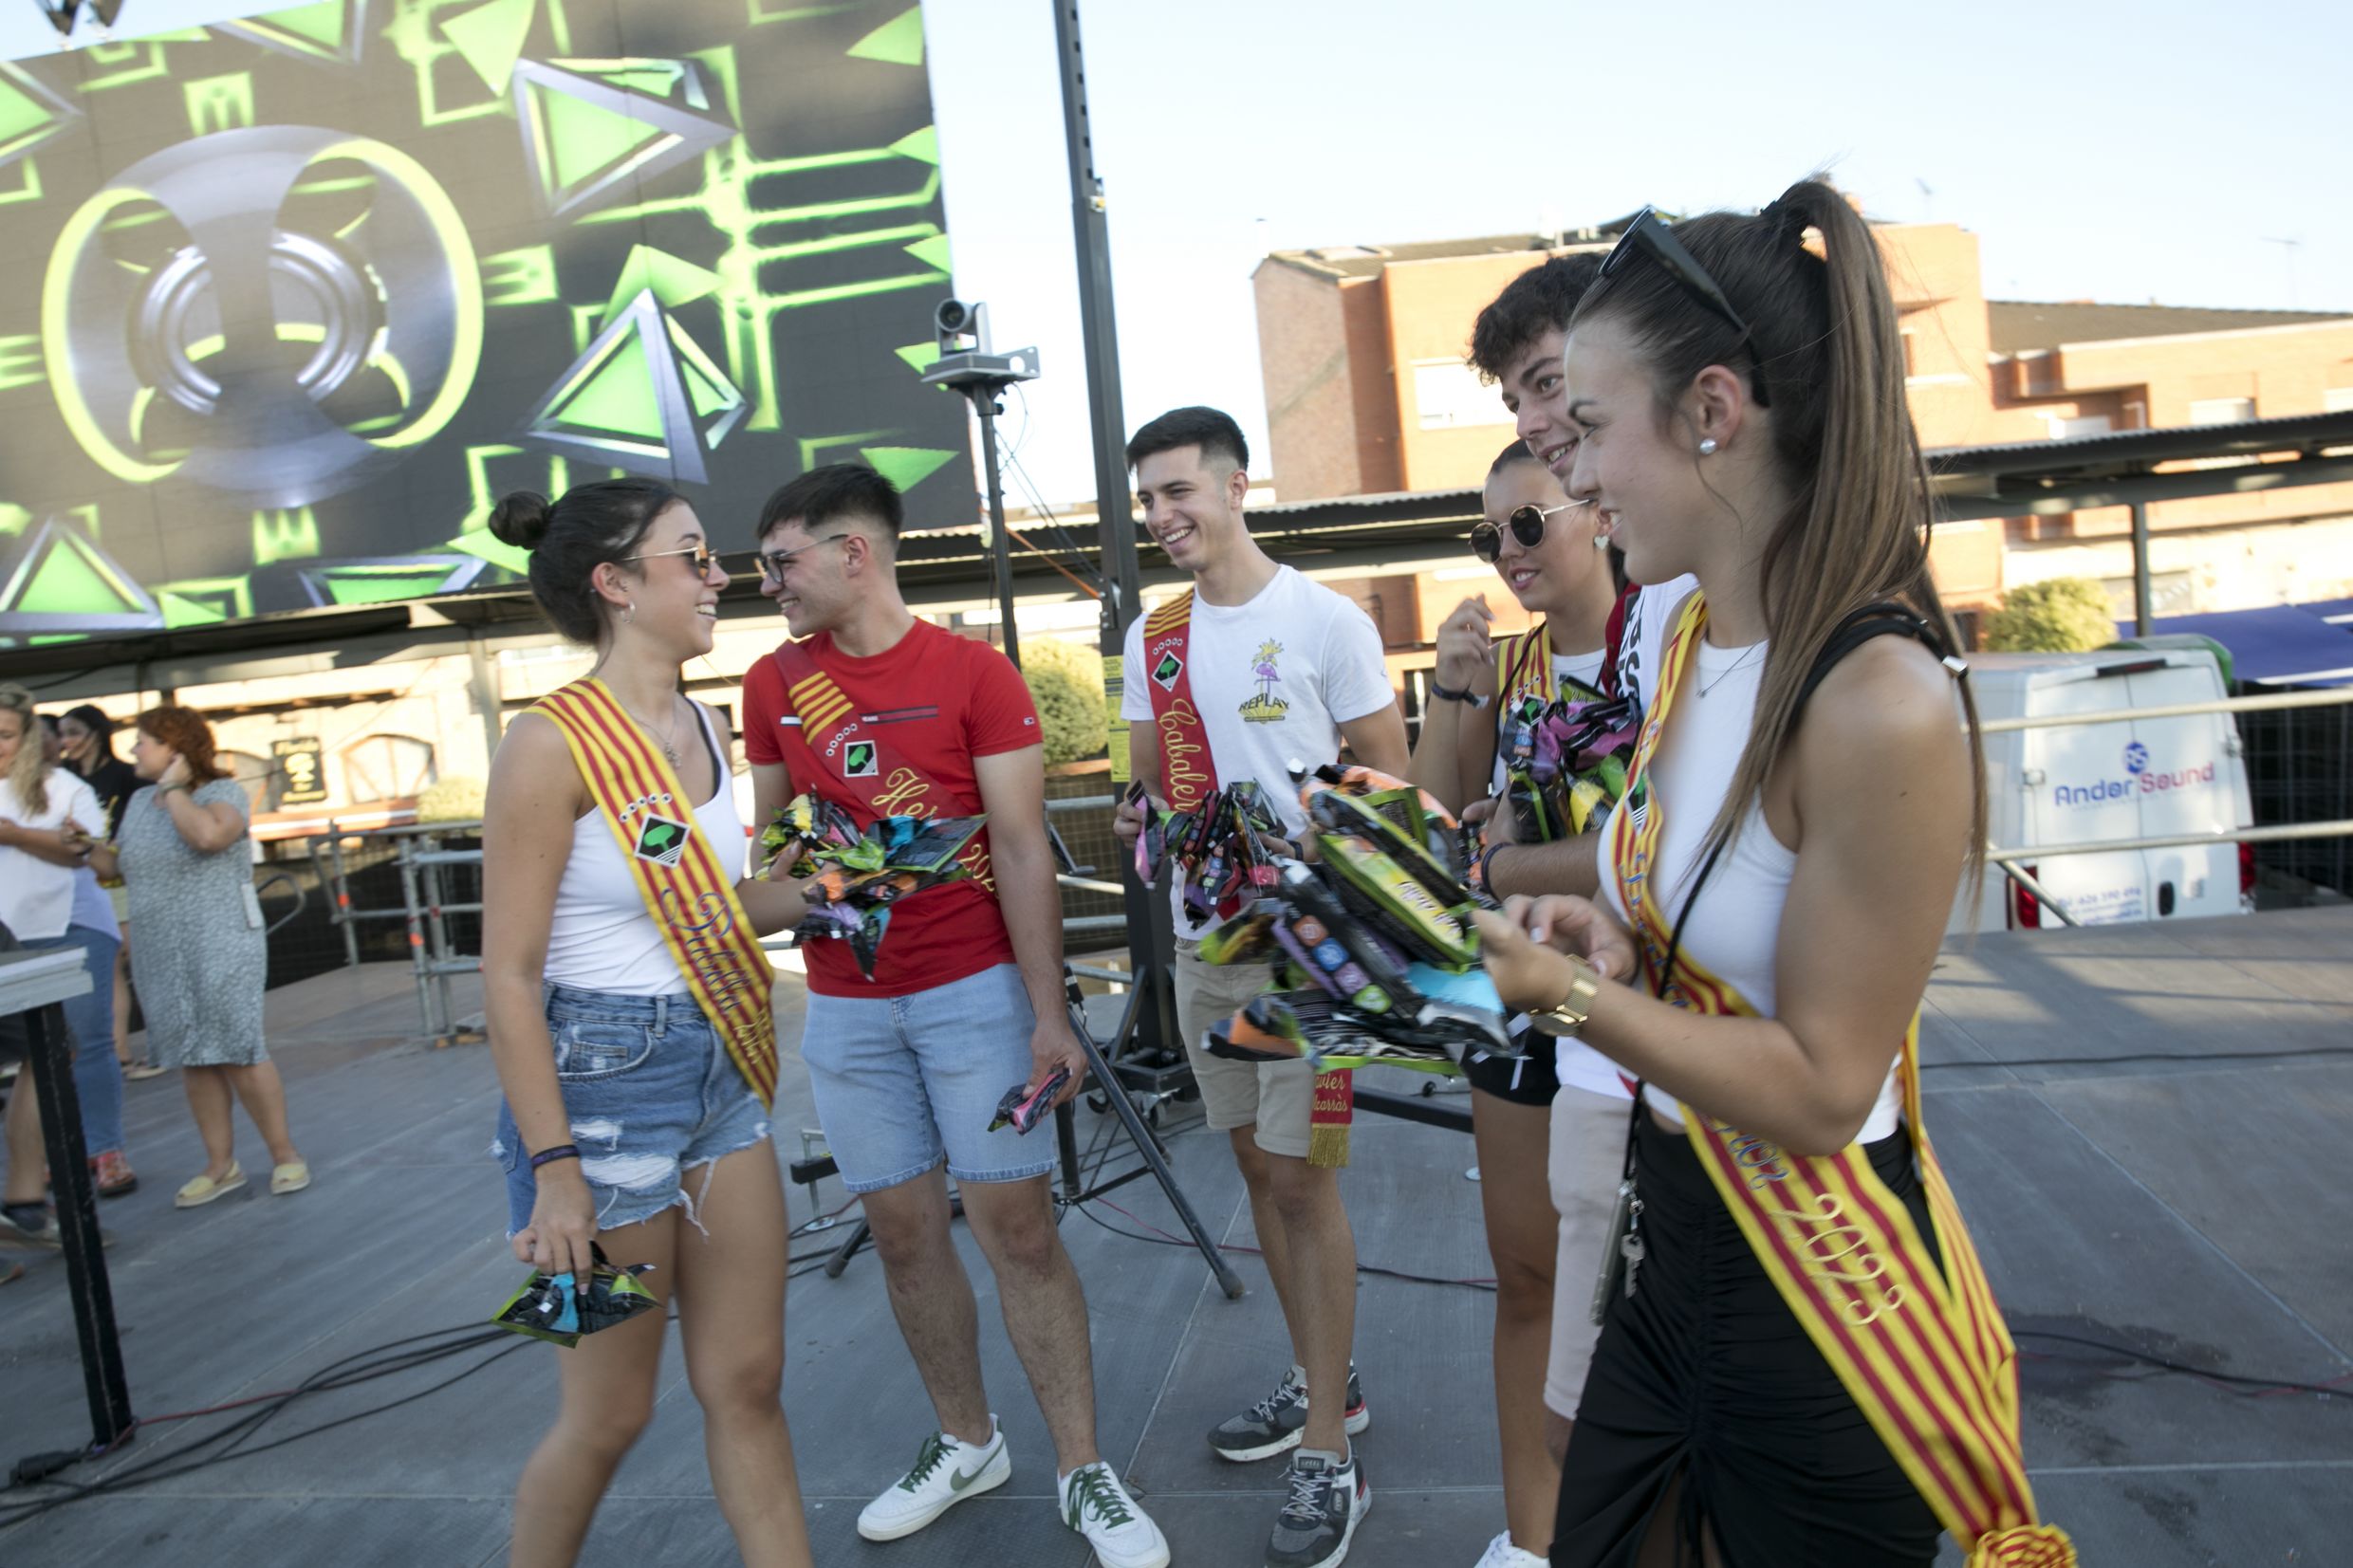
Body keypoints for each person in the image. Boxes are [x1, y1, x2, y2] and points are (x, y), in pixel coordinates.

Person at [1473, 186, 2070, 1566]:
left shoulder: (1874, 698)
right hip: (1673, 1239)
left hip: (1822, 1303)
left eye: (1593, 427)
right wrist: (1606, 935)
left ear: (1712, 411)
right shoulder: (1693, 646)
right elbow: (1703, 929)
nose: (1575, 477)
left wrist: (1566, 997)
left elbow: (1819, 1087)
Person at [742, 463, 1168, 1568]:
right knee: (899, 1235)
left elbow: (1022, 849)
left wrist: (1050, 1016)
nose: (767, 582)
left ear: (854, 553)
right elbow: (769, 855)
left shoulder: (974, 673)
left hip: (974, 997)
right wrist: (824, 881)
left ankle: (1081, 1469)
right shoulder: (770, 681)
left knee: (1017, 1230)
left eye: (782, 561)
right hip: (844, 1008)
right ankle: (966, 1442)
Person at [477, 478, 815, 1568]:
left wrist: (837, 886)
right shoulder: (548, 743)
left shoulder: (706, 723)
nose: (719, 577)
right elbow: (508, 977)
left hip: (717, 1073)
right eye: (693, 556)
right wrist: (553, 1173)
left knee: (747, 1381)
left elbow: (718, 905)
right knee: (606, 1414)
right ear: (614, 583)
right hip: (593, 1096)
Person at [1111, 406, 1408, 1568]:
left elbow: (1388, 786)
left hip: (1308, 952)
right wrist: (1145, 819)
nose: (1161, 515)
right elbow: (1146, 785)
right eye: (1147, 499)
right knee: (1253, 1172)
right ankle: (1324, 1379)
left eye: (1178, 490)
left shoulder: (1326, 621)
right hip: (1206, 948)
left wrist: (1318, 857)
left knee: (1298, 1183)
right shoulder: (1152, 637)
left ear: (1237, 487)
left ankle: (1328, 1452)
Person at [1405, 360, 1637, 1568]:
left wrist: (1507, 862)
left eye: (1527, 523)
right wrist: (1455, 691)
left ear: (1596, 508)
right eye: (1487, 534)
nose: (1505, 552)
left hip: (1647, 1003)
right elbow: (1437, 830)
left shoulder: (1673, 648)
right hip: (1515, 1005)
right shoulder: (1520, 667)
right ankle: (1533, 1539)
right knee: (1526, 1273)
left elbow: (1650, 850)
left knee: (1649, 1289)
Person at [83, 706, 308, 1208]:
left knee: (239, 1047)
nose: (134, 749)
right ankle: (219, 1164)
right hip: (160, 946)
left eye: (143, 740)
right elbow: (116, 866)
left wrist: (173, 789)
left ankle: (284, 1154)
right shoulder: (138, 802)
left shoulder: (221, 793)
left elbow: (208, 836)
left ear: (174, 748)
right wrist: (80, 846)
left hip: (220, 938)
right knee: (192, 1055)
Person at [0, 691, 133, 1240]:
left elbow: (94, 858)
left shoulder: (63, 786)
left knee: (77, 1045)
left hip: (71, 925)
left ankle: (98, 1153)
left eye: (6, 735)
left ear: (28, 737)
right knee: (42, 1054)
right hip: (8, 936)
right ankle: (27, 1192)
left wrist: (14, 835)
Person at [58, 705, 156, 1081]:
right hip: (84, 880)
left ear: (96, 733)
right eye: (62, 734)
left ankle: (152, 1047)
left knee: (136, 964)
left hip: (121, 878)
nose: (66, 742)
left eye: (73, 732)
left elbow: (148, 818)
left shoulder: (126, 776)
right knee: (108, 968)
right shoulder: (63, 779)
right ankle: (119, 1052)